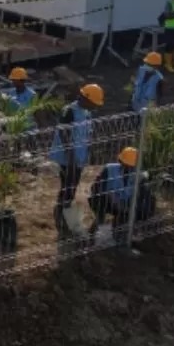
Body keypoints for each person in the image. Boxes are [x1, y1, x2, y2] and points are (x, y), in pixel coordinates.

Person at [51, 84, 103, 232]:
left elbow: (88, 132)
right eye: (93, 103)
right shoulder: (69, 111)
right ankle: (62, 211)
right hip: (67, 157)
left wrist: (90, 151)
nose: (94, 107)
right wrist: (71, 155)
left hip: (79, 155)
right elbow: (63, 133)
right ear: (85, 99)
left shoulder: (86, 112)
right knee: (68, 184)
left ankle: (65, 208)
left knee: (73, 184)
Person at [88, 147, 142, 238]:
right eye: (126, 165)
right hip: (106, 201)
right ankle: (93, 233)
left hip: (123, 204)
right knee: (100, 203)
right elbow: (95, 188)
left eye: (131, 166)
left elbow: (137, 195)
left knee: (128, 215)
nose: (129, 168)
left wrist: (125, 205)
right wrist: (110, 196)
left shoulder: (137, 176)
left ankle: (118, 233)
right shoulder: (109, 169)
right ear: (121, 162)